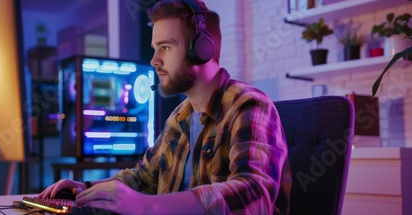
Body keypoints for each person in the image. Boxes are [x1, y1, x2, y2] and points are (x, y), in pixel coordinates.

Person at [38, 0, 289, 214]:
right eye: (155, 48)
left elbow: (254, 195)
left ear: (202, 49)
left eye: (165, 48)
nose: (154, 61)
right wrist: (86, 189)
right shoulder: (180, 116)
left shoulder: (248, 105)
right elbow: (144, 176)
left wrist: (149, 207)